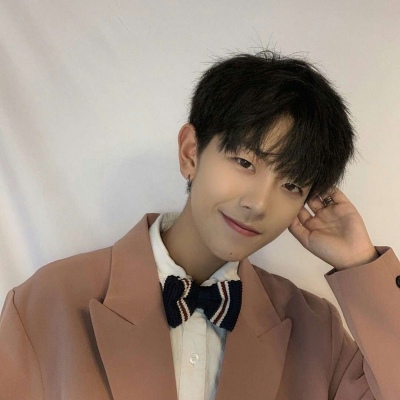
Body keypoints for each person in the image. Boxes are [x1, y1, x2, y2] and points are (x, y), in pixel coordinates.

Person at [0, 50, 399, 400]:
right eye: (245, 162)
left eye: (291, 185)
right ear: (191, 153)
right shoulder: (48, 303)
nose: (259, 203)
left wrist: (362, 265)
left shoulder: (317, 333)